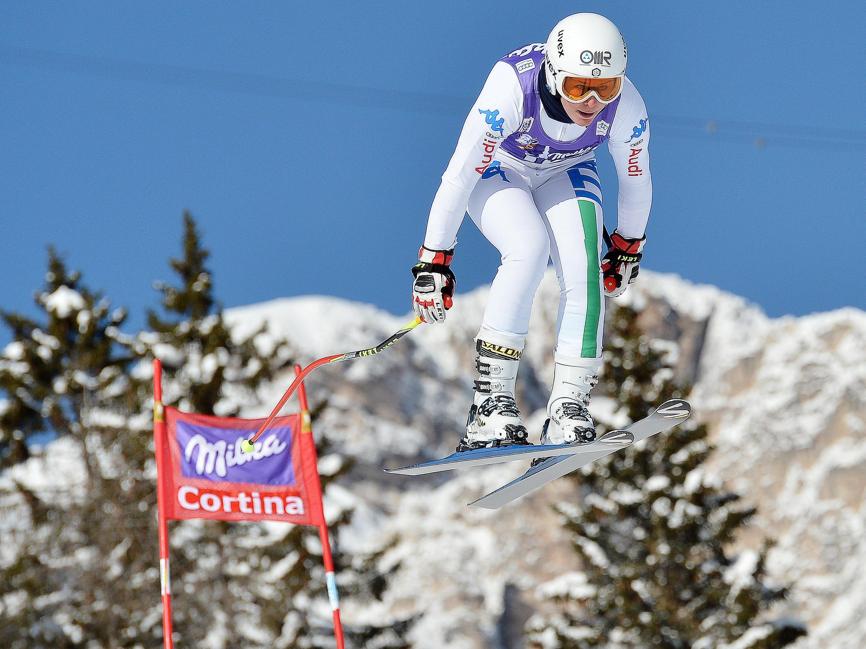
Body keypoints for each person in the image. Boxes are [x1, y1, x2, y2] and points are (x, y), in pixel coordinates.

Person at [411, 13, 651, 452]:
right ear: (555, 74)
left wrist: (627, 247)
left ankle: (569, 406)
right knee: (528, 248)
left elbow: (635, 179)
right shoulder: (512, 87)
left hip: (568, 170)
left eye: (606, 87)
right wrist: (434, 260)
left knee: (584, 271)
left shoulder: (627, 106)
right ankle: (491, 404)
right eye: (578, 87)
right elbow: (460, 176)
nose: (592, 101)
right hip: (500, 169)